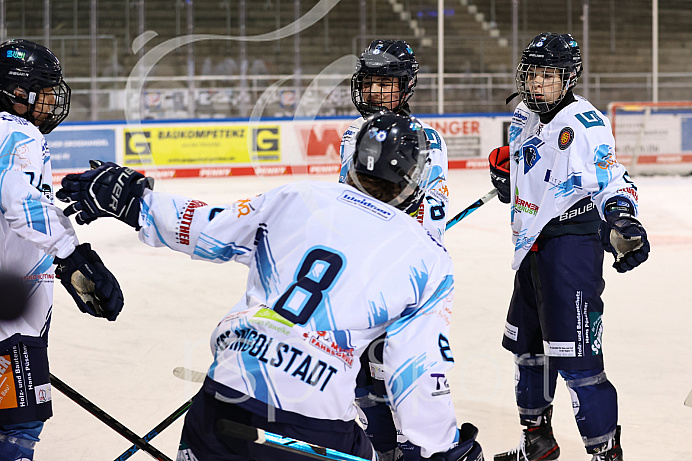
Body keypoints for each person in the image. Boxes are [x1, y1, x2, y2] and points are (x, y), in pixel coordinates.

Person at [56, 112, 483, 461]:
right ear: (415, 180)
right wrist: (438, 449)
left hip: (225, 397)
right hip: (313, 427)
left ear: (353, 161)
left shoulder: (296, 197)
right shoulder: (427, 258)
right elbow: (418, 369)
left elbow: (205, 228)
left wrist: (135, 200)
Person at [488, 33, 650, 461]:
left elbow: (612, 178)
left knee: (579, 366)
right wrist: (509, 176)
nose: (537, 83)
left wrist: (620, 217)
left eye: (549, 75)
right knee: (527, 353)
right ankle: (537, 442)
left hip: (570, 250)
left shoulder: (584, 124)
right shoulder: (523, 115)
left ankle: (605, 454)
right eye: (532, 74)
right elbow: (530, 170)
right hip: (530, 250)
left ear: (569, 77)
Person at [0, 39, 124, 460]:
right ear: (18, 93)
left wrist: (62, 266)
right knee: (18, 431)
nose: (53, 99)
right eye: (46, 87)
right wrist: (74, 255)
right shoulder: (20, 134)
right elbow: (22, 204)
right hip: (10, 323)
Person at [340, 39, 451, 461]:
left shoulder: (425, 138)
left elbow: (431, 215)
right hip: (357, 275)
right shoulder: (354, 133)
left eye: (385, 84)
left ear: (405, 88)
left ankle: (414, 449)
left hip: (399, 278)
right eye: (369, 83)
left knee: (398, 373)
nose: (374, 93)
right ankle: (382, 449)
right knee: (362, 375)